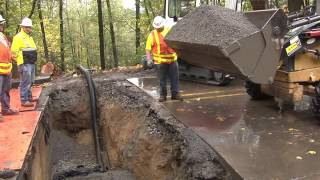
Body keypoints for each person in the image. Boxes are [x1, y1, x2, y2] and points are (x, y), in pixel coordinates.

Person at [145, 16, 183, 102]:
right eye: (157, 27)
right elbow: (148, 49)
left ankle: (175, 94)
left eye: (159, 27)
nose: (158, 29)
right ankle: (163, 95)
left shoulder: (170, 30)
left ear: (163, 25)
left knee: (175, 78)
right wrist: (149, 59)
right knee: (162, 80)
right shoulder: (152, 35)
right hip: (160, 62)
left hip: (172, 60)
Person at [11, 17, 37, 107]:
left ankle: (29, 97)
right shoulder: (18, 37)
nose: (30, 29)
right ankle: (24, 100)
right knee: (25, 81)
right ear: (24, 27)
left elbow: (32, 49)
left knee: (31, 81)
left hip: (31, 62)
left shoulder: (29, 37)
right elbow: (14, 52)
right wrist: (20, 62)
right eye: (28, 27)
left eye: (30, 27)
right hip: (24, 63)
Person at [0, 15, 18, 116]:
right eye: (0, 23)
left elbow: (7, 49)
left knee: (6, 90)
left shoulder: (2, 36)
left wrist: (12, 58)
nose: (2, 25)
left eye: (2, 23)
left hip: (6, 67)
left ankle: (6, 109)